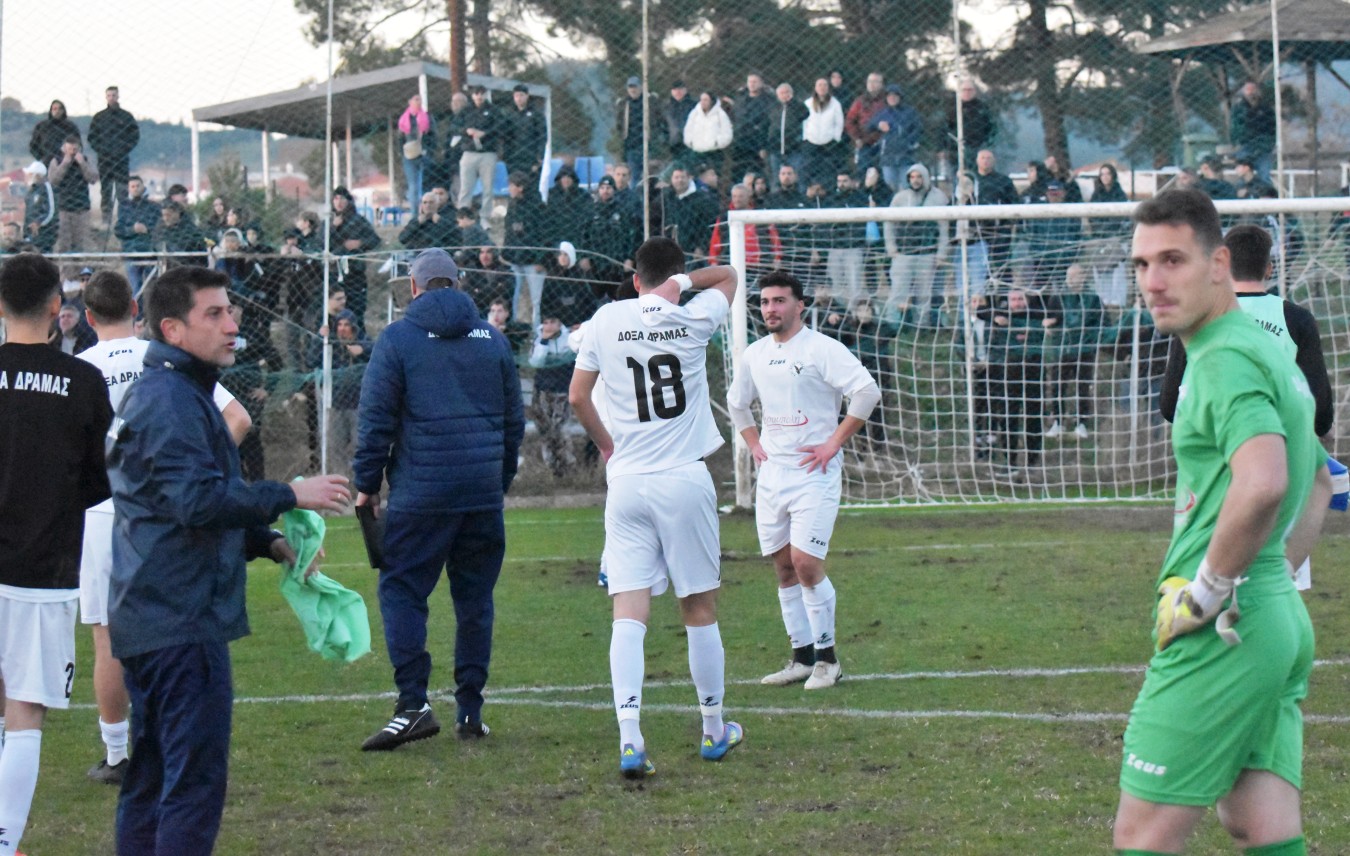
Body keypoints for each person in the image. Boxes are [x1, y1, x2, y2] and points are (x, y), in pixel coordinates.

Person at [104, 265, 349, 853]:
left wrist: (267, 541)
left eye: (230, 311)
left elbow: (179, 505)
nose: (232, 325)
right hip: (179, 618)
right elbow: (196, 502)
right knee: (190, 782)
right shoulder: (171, 399)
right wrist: (290, 493)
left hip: (152, 611)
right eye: (213, 314)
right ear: (173, 329)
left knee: (152, 776)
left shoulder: (173, 391)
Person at [1113, 187, 1322, 855]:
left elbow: (1265, 482)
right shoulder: (1266, 347)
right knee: (1260, 823)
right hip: (1273, 613)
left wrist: (1206, 592)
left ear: (1220, 264)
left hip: (1224, 623)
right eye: (1142, 264)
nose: (1153, 281)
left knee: (1142, 837)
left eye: (1172, 260)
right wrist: (1272, 579)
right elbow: (1322, 481)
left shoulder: (1223, 358)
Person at [568, 239, 743, 779]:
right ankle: (713, 730)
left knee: (628, 610)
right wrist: (683, 285)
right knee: (699, 606)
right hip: (683, 478)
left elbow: (577, 397)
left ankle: (630, 739)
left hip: (627, 482)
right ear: (675, 275)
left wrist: (607, 446)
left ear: (634, 278)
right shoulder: (692, 316)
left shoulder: (606, 319)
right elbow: (730, 275)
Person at [75, 270, 250, 786]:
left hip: (102, 510)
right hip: (164, 512)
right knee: (175, 622)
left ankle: (116, 755)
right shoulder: (164, 359)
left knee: (107, 636)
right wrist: (199, 466)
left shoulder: (81, 367)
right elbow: (238, 418)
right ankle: (169, 742)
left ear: (88, 317)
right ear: (135, 308)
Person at [354, 249, 524, 750]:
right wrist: (498, 481)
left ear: (413, 287)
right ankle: (470, 710)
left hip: (421, 493)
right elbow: (514, 422)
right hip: (480, 494)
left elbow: (376, 419)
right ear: (458, 283)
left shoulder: (397, 339)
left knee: (402, 590)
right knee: (474, 600)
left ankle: (413, 704)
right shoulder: (492, 339)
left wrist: (367, 483)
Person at [0, 253, 114, 856]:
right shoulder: (82, 381)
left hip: (32, 570)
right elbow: (103, 479)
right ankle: (4, 842)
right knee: (25, 709)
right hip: (42, 569)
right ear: (56, 307)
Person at [726, 269, 880, 689]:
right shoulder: (755, 354)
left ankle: (828, 660)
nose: (770, 309)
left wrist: (833, 443)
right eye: (765, 302)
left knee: (806, 563)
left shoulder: (821, 348)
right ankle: (801, 658)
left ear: (800, 305)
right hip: (773, 475)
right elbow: (737, 403)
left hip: (815, 473)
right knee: (783, 568)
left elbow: (867, 392)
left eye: (779, 301)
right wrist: (754, 444)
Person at [883, 162, 949, 329]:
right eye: (912, 177)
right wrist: (891, 248)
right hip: (904, 253)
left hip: (928, 253)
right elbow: (889, 223)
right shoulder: (900, 198)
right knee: (898, 291)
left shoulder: (938, 198)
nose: (916, 180)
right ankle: (892, 325)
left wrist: (941, 253)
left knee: (924, 294)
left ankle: (922, 327)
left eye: (919, 176)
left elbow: (944, 228)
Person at [528, 311, 578, 477]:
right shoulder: (538, 339)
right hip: (543, 390)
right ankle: (550, 467)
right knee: (545, 430)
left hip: (562, 390)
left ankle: (568, 466)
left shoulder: (569, 338)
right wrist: (544, 340)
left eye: (553, 322)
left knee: (561, 430)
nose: (549, 326)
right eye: (546, 322)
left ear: (559, 323)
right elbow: (535, 361)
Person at [329, 186, 381, 332]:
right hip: (333, 273)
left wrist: (360, 243)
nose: (339, 202)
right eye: (335, 198)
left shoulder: (358, 220)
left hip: (355, 273)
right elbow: (320, 242)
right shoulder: (329, 221)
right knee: (334, 314)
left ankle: (360, 341)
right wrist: (333, 227)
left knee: (356, 312)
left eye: (342, 198)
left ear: (348, 201)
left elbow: (375, 240)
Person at [87, 86, 140, 220]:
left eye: (114, 95)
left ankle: (124, 219)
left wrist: (123, 149)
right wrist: (102, 150)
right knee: (106, 192)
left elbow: (134, 136)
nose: (111, 98)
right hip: (104, 161)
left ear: (118, 96)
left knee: (122, 193)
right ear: (106, 97)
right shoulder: (99, 117)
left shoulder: (126, 117)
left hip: (121, 161)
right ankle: (106, 220)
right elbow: (92, 138)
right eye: (109, 95)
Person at [456, 86, 500, 226]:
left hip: (488, 153)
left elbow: (501, 127)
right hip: (469, 153)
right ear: (472, 95)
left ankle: (485, 218)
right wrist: (466, 131)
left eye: (482, 94)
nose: (479, 96)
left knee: (488, 188)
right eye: (476, 94)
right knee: (466, 188)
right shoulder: (466, 111)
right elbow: (455, 127)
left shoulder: (493, 110)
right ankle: (463, 217)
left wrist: (485, 133)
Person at [48, 135, 99, 254]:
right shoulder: (56, 161)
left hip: (82, 206)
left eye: (75, 149)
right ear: (63, 149)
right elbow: (53, 180)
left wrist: (82, 164)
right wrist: (65, 164)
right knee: (63, 241)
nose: (72, 152)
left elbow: (93, 179)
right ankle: (64, 265)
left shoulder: (84, 160)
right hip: (63, 207)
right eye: (69, 149)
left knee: (81, 242)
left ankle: (80, 264)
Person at [113, 175, 160, 297]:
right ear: (129, 189)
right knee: (135, 288)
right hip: (132, 252)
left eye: (138, 186)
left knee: (153, 288)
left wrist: (147, 229)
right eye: (132, 186)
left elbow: (160, 227)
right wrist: (132, 230)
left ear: (143, 187)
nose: (135, 189)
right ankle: (137, 309)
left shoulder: (154, 207)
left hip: (150, 252)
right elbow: (118, 230)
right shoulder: (124, 207)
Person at [871, 85, 922, 191]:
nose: (892, 98)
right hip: (888, 156)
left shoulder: (909, 112)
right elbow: (869, 125)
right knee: (889, 186)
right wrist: (878, 124)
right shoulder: (883, 113)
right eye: (889, 96)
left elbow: (918, 128)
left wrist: (909, 142)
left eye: (895, 96)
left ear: (900, 97)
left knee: (906, 186)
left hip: (906, 155)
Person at [801, 78, 844, 190]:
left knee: (828, 169)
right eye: (819, 85)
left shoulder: (835, 103)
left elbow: (839, 123)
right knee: (809, 169)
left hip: (829, 143)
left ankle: (828, 191)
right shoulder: (808, 103)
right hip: (811, 141)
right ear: (815, 88)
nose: (822, 87)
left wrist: (836, 138)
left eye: (825, 85)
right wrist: (805, 137)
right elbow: (804, 121)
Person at [945, 79, 994, 174]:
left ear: (975, 91)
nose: (967, 92)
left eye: (970, 90)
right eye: (964, 90)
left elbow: (991, 127)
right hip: (956, 150)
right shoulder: (952, 108)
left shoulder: (982, 108)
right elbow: (945, 128)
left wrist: (987, 144)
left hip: (978, 148)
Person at [1231, 80, 1276, 181]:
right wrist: (1236, 143)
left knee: (1264, 175)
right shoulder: (1239, 108)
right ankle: (1244, 190)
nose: (1250, 92)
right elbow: (1235, 127)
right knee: (1243, 174)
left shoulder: (1266, 109)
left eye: (1253, 89)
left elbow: (1272, 128)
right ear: (1243, 92)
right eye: (1248, 89)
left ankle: (1264, 190)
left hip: (1263, 146)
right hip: (1245, 145)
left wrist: (1268, 144)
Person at [398, 93, 434, 213]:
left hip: (424, 154)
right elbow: (400, 139)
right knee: (413, 186)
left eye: (420, 99)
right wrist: (402, 152)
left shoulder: (427, 117)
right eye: (416, 99)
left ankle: (427, 212)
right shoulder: (404, 119)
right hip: (409, 156)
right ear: (410, 101)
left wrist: (429, 151)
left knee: (425, 184)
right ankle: (414, 214)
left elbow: (433, 135)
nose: (418, 102)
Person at [844, 72, 886, 174]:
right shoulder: (859, 101)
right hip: (864, 143)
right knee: (863, 172)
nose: (872, 84)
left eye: (875, 81)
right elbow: (850, 121)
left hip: (883, 143)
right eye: (869, 81)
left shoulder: (887, 101)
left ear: (881, 84)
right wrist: (857, 138)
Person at [28, 100, 80, 166]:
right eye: (55, 109)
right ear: (51, 111)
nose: (57, 111)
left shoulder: (71, 127)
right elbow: (33, 146)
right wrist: (41, 158)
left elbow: (78, 144)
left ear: (63, 111)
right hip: (46, 161)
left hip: (68, 162)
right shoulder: (42, 126)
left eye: (60, 109)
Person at [22, 161, 57, 254]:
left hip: (45, 233)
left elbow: (51, 211)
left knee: (44, 255)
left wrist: (39, 222)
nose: (27, 176)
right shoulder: (31, 191)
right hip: (31, 232)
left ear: (37, 175)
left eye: (30, 174)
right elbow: (28, 213)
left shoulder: (46, 187)